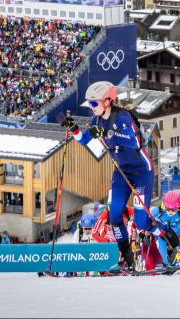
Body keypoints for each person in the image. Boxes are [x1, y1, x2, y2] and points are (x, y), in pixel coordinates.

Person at [64, 81, 158, 272]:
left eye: (94, 104)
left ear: (107, 101)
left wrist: (107, 133)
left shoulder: (122, 118)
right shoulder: (96, 121)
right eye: (90, 104)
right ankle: (128, 259)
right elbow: (84, 140)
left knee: (141, 222)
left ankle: (165, 233)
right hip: (121, 172)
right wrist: (73, 128)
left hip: (141, 171)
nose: (91, 108)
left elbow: (133, 142)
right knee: (114, 215)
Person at [150, 190, 180, 268]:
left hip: (176, 234)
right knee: (163, 255)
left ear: (178, 206)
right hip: (163, 235)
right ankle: (165, 265)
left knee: (176, 252)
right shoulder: (160, 210)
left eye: (173, 209)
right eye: (168, 209)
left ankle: (175, 263)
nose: (170, 212)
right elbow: (150, 216)